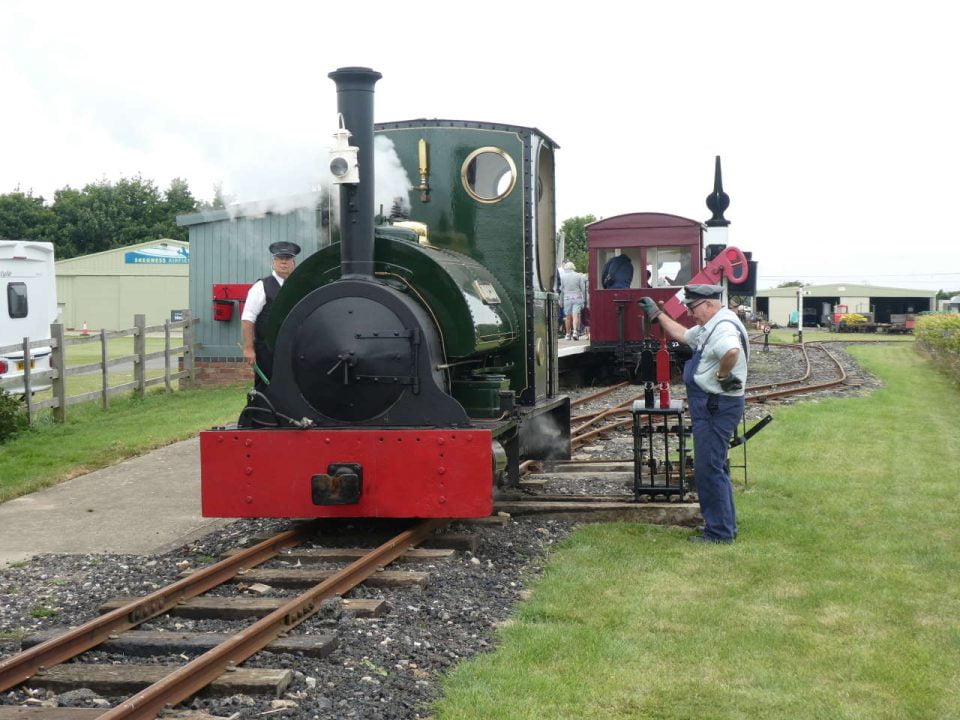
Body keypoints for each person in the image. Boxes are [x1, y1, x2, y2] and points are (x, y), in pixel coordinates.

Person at [639, 284, 749, 544]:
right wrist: (658, 314)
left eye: (692, 307)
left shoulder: (722, 328)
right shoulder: (716, 321)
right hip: (715, 405)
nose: (690, 313)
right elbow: (685, 335)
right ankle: (724, 526)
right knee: (715, 467)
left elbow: (731, 351)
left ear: (709, 304)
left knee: (709, 469)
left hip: (715, 406)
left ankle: (719, 534)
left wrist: (721, 375)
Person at [241, 241, 301, 391]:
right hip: (267, 350)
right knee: (267, 388)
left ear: (294, 262)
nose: (284, 262)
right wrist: (249, 349)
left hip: (294, 349)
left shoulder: (300, 286)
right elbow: (248, 318)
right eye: (280, 258)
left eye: (288, 258)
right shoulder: (261, 287)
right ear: (273, 261)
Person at [559, 261, 587, 340]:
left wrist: (560, 301)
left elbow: (561, 290)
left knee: (567, 317)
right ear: (573, 268)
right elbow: (583, 289)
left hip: (567, 298)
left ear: (566, 268)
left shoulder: (563, 277)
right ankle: (575, 331)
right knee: (575, 315)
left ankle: (567, 334)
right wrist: (584, 300)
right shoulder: (578, 276)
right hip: (577, 297)